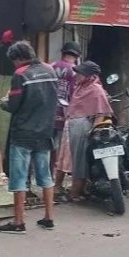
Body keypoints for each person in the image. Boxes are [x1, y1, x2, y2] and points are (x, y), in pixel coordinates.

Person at [0, 41, 58, 234]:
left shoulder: (20, 74)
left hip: (23, 133)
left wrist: (4, 103)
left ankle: (18, 222)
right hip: (45, 132)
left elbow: (14, 105)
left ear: (19, 58)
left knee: (19, 178)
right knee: (45, 177)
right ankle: (48, 218)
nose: (14, 65)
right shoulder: (50, 70)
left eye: (14, 61)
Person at [57, 61, 114, 201]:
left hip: (83, 129)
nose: (76, 75)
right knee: (66, 158)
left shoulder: (96, 90)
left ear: (89, 75)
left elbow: (101, 114)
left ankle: (75, 191)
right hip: (71, 127)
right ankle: (61, 187)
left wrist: (93, 132)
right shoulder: (80, 87)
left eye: (80, 73)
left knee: (80, 160)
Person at [51, 42, 81, 187]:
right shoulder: (75, 71)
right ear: (76, 57)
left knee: (48, 146)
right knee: (60, 148)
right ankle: (56, 179)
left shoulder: (51, 67)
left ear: (62, 53)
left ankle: (47, 174)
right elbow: (74, 94)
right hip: (64, 115)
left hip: (48, 114)